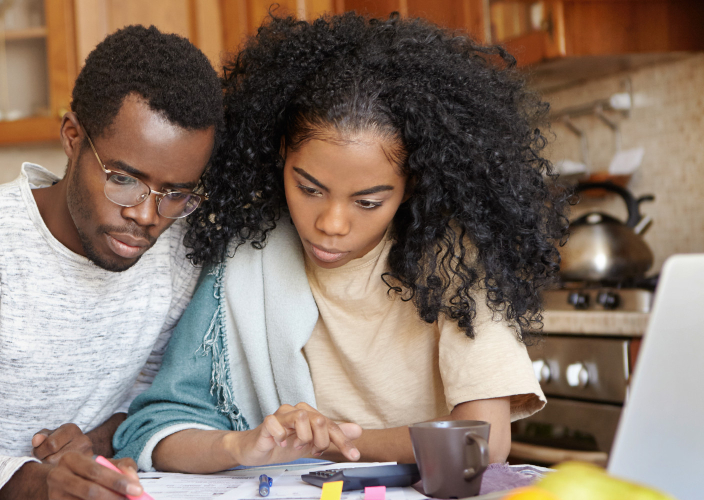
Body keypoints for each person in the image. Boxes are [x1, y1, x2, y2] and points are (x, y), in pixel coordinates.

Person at [114, 13, 568, 473]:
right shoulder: (248, 257)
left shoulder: (455, 261)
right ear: (280, 154)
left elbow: (483, 443)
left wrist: (330, 443)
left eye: (368, 202)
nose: (331, 224)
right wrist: (243, 445)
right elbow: (154, 429)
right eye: (309, 189)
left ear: (411, 184)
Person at [0, 25, 223, 500]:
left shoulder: (177, 249)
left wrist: (96, 442)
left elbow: (153, 401)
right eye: (124, 180)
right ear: (72, 138)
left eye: (175, 192)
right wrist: (38, 484)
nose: (147, 215)